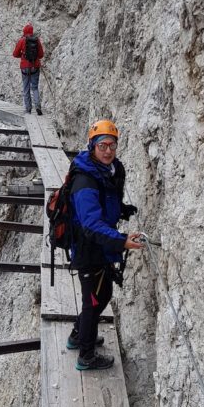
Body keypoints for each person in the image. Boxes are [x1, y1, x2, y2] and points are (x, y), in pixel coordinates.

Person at [67, 119, 143, 371]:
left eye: (112, 145)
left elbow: (106, 201)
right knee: (93, 301)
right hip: (88, 248)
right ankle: (85, 356)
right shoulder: (85, 180)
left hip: (99, 246)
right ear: (92, 147)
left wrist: (122, 210)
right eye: (102, 145)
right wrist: (122, 241)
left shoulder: (107, 170)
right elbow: (90, 224)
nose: (108, 150)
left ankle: (78, 335)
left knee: (101, 296)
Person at [12, 23, 44, 115]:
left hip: (25, 67)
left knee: (26, 88)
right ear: (32, 31)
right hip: (35, 66)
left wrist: (22, 55)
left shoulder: (22, 40)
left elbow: (15, 54)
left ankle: (28, 109)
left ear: (24, 31)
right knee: (34, 87)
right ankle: (38, 107)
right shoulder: (36, 40)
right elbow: (41, 55)